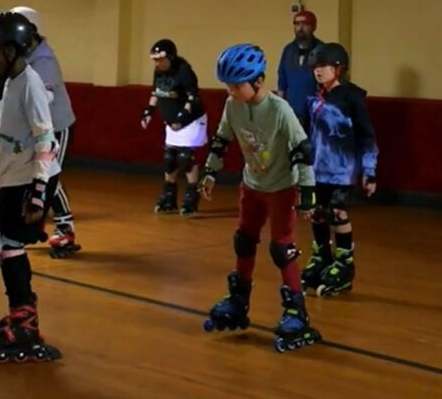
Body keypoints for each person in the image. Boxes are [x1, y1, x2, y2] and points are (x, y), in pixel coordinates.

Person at [198, 43, 322, 353]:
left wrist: (307, 192)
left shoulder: (279, 110)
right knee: (244, 240)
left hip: (281, 186)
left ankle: (296, 310)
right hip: (252, 184)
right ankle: (239, 299)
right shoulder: (233, 106)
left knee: (281, 247)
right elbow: (222, 138)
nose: (231, 92)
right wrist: (211, 172)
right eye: (227, 86)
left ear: (258, 81)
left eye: (236, 86)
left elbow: (302, 150)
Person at [0, 11, 62, 363]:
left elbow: (45, 138)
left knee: (10, 244)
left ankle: (25, 321)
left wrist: (38, 194)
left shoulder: (31, 84)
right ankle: (22, 315)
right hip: (13, 175)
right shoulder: (11, 82)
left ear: (10, 51)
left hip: (30, 178)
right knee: (6, 245)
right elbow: (6, 136)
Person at [298, 43, 378, 297]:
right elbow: (306, 133)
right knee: (317, 212)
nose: (318, 72)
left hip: (343, 170)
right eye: (314, 68)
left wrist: (369, 170)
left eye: (322, 67)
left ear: (338, 68)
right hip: (317, 168)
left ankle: (344, 264)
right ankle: (322, 256)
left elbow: (367, 136)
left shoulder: (352, 97)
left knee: (338, 213)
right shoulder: (314, 98)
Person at [10, 6, 79, 255]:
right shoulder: (23, 56)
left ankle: (65, 229)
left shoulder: (43, 59)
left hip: (56, 127)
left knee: (49, 175)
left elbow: (45, 97)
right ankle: (30, 222)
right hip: (35, 129)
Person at [142, 39, 207, 216]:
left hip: (191, 120)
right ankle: (169, 196)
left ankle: (191, 198)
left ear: (170, 57)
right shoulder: (158, 72)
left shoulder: (184, 72)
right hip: (172, 122)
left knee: (186, 157)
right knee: (170, 157)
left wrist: (182, 117)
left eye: (161, 59)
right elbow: (155, 92)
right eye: (155, 60)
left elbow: (193, 98)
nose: (158, 63)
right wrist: (149, 110)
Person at [278, 10, 325, 132]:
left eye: (305, 24)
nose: (300, 28)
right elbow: (282, 80)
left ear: (313, 26)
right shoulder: (288, 50)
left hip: (315, 112)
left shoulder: (322, 50)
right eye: (297, 24)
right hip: (292, 110)